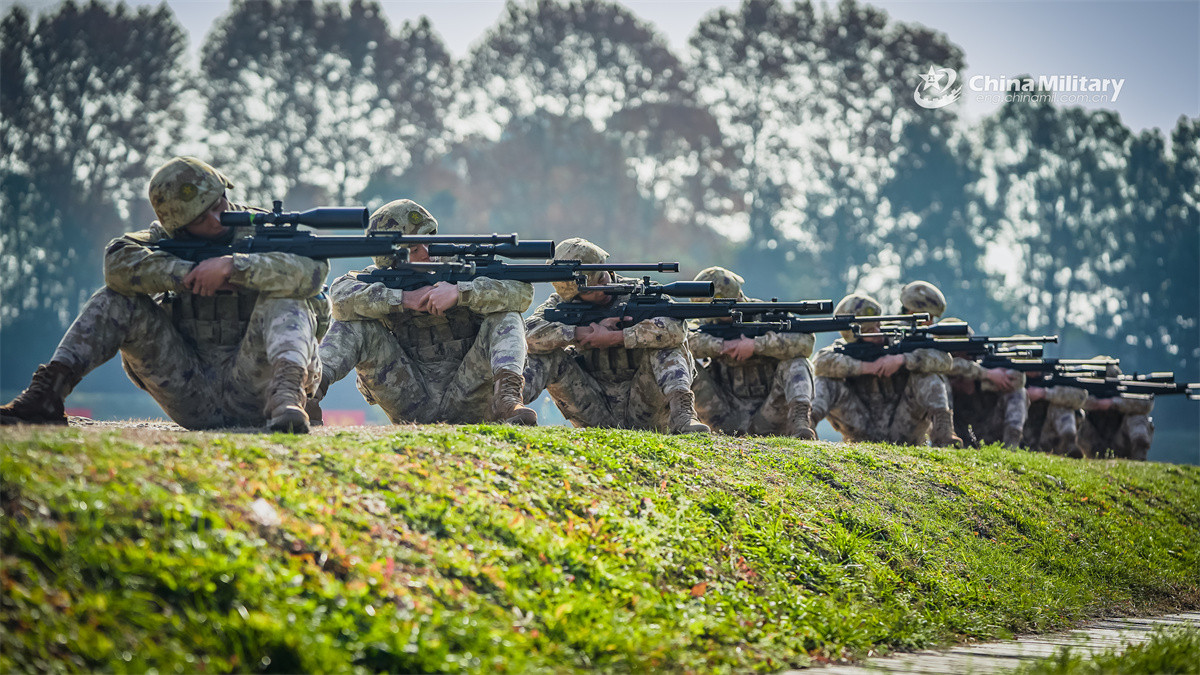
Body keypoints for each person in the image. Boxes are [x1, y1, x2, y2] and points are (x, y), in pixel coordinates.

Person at [0, 156, 325, 432]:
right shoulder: (163, 238)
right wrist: (186, 274)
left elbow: (312, 272)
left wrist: (234, 267)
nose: (216, 220)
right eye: (200, 218)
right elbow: (117, 263)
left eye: (218, 205)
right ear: (178, 226)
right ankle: (45, 394)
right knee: (116, 298)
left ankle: (288, 397)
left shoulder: (264, 229)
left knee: (289, 297)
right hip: (189, 389)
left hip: (258, 391)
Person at [310, 199, 537, 425]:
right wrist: (404, 299)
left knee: (507, 315)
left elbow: (521, 293)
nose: (427, 253)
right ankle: (309, 395)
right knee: (354, 323)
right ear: (392, 258)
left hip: (471, 395)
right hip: (408, 397)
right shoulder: (382, 278)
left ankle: (507, 400)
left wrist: (460, 292)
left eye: (429, 241)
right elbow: (339, 297)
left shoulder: (463, 267)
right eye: (414, 249)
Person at [521, 238, 708, 434]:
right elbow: (528, 333)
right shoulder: (561, 303)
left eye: (602, 277)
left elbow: (676, 329)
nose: (603, 286)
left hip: (645, 405)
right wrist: (577, 333)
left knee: (668, 344)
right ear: (575, 294)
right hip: (592, 405)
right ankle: (510, 405)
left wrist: (619, 336)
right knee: (542, 350)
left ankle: (683, 416)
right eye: (592, 287)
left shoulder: (642, 293)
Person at [811, 292, 961, 446]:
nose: (877, 332)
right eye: (869, 330)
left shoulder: (898, 338)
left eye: (878, 325)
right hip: (861, 428)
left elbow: (944, 360)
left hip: (904, 426)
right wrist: (866, 367)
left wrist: (902, 360)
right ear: (853, 336)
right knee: (825, 380)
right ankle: (807, 424)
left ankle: (944, 432)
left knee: (928, 375)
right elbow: (820, 363)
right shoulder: (844, 348)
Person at [687, 266, 816, 438]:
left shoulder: (768, 314)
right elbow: (684, 339)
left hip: (770, 414)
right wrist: (722, 345)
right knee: (685, 361)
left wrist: (756, 345)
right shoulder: (708, 321)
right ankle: (683, 419)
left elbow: (805, 342)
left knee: (798, 362)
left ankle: (800, 423)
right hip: (724, 414)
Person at [899, 281, 1024, 448]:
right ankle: (942, 438)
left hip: (978, 431)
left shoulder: (976, 370)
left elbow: (1017, 380)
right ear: (913, 312)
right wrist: (984, 373)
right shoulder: (904, 337)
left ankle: (1011, 447)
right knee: (938, 378)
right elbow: (945, 364)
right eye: (929, 317)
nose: (931, 322)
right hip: (907, 418)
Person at [1077, 360, 1154, 460]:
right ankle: (1070, 454)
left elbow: (1146, 403)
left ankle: (1139, 458)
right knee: (1075, 413)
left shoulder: (1123, 391)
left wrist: (1112, 402)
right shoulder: (1084, 392)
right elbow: (1074, 398)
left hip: (1120, 444)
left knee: (1137, 417)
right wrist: (1096, 403)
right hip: (1092, 445)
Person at [1023, 375, 1088, 457]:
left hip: (1050, 436)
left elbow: (1080, 397)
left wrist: (1044, 393)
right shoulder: (1014, 374)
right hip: (1026, 430)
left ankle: (1069, 445)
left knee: (1061, 406)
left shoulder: (1055, 373)